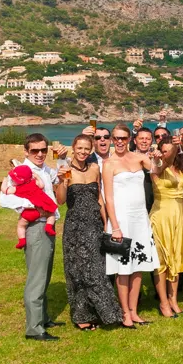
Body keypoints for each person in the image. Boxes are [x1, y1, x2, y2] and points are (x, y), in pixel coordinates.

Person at [0, 134, 63, 340]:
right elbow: (4, 198)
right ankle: (34, 328)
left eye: (43, 150)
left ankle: (42, 318)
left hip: (47, 226)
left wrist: (62, 160)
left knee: (44, 274)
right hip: (36, 226)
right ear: (26, 151)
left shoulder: (44, 169)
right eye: (35, 151)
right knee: (37, 277)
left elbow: (59, 178)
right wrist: (31, 205)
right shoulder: (21, 172)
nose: (40, 154)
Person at [58, 134, 123, 331]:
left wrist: (106, 225)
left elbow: (100, 199)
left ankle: (101, 313)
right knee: (78, 272)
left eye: (87, 149)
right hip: (75, 227)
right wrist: (61, 181)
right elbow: (60, 200)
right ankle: (81, 315)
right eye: (80, 148)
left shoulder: (95, 168)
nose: (83, 152)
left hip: (95, 225)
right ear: (73, 147)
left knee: (97, 269)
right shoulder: (65, 170)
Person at [102, 124, 158, 328]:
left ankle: (134, 311)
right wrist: (115, 226)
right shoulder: (108, 163)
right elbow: (108, 197)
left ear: (129, 139)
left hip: (140, 218)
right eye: (115, 138)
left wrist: (159, 157)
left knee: (139, 267)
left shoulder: (139, 158)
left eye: (123, 138)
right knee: (123, 269)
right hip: (122, 220)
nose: (119, 141)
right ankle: (124, 312)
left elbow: (157, 170)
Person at [149, 136, 183, 318]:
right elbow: (163, 164)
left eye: (169, 150)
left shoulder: (181, 170)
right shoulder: (156, 167)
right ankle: (163, 303)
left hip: (179, 218)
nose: (166, 154)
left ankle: (173, 300)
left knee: (176, 258)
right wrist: (170, 152)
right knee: (162, 262)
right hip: (162, 217)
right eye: (163, 150)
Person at [2, 165, 58, 249]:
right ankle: (49, 226)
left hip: (29, 212)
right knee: (52, 214)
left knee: (21, 225)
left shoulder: (16, 188)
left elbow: (4, 190)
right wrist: (37, 176)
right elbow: (42, 185)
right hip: (44, 206)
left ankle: (22, 240)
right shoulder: (33, 183)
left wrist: (4, 181)